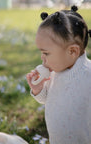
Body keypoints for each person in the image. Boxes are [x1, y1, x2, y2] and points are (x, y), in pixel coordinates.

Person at [26, 5, 91, 144]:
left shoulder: (88, 76)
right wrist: (38, 89)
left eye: (46, 53)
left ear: (72, 51)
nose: (42, 58)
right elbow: (49, 99)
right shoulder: (55, 72)